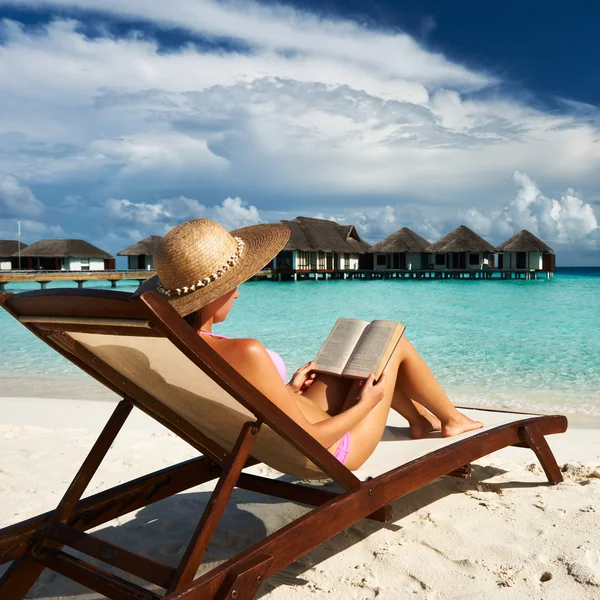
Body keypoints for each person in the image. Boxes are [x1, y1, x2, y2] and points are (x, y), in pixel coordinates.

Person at [148, 219, 483, 471]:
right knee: (392, 340)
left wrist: (290, 391)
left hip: (281, 437)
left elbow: (249, 407)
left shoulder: (175, 349)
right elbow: (311, 440)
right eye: (234, 285)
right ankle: (451, 419)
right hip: (328, 449)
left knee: (362, 352)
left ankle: (420, 421)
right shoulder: (245, 351)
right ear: (215, 292)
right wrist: (366, 404)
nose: (237, 293)